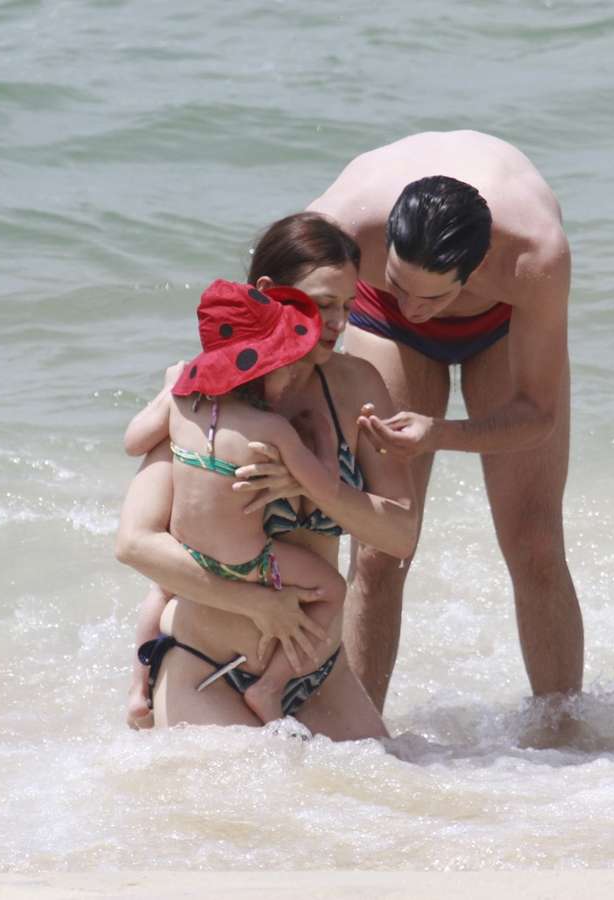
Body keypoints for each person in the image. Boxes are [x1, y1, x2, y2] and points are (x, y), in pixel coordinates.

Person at [307, 130, 584, 713]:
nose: (415, 309)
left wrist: (440, 433)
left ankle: (561, 738)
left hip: (502, 317)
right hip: (376, 320)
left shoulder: (534, 255)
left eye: (430, 299)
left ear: (477, 265)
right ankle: (361, 736)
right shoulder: (338, 227)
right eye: (401, 284)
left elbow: (537, 415)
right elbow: (259, 343)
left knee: (535, 541)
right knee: (380, 548)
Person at [115, 213, 416, 738]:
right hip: (207, 664)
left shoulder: (356, 388)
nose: (338, 323)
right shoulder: (204, 391)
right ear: (269, 291)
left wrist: (313, 486)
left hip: (317, 674)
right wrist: (257, 604)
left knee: (395, 789)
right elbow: (135, 542)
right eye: (323, 304)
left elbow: (400, 534)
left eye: (348, 306)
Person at [121, 279, 353, 724]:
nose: (291, 377)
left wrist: (168, 391)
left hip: (188, 554)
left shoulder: (181, 407)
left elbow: (133, 442)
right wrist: (324, 439)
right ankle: (271, 687)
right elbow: (325, 489)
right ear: (261, 370)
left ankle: (137, 688)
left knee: (159, 590)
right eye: (285, 367)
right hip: (250, 563)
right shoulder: (272, 431)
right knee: (333, 590)